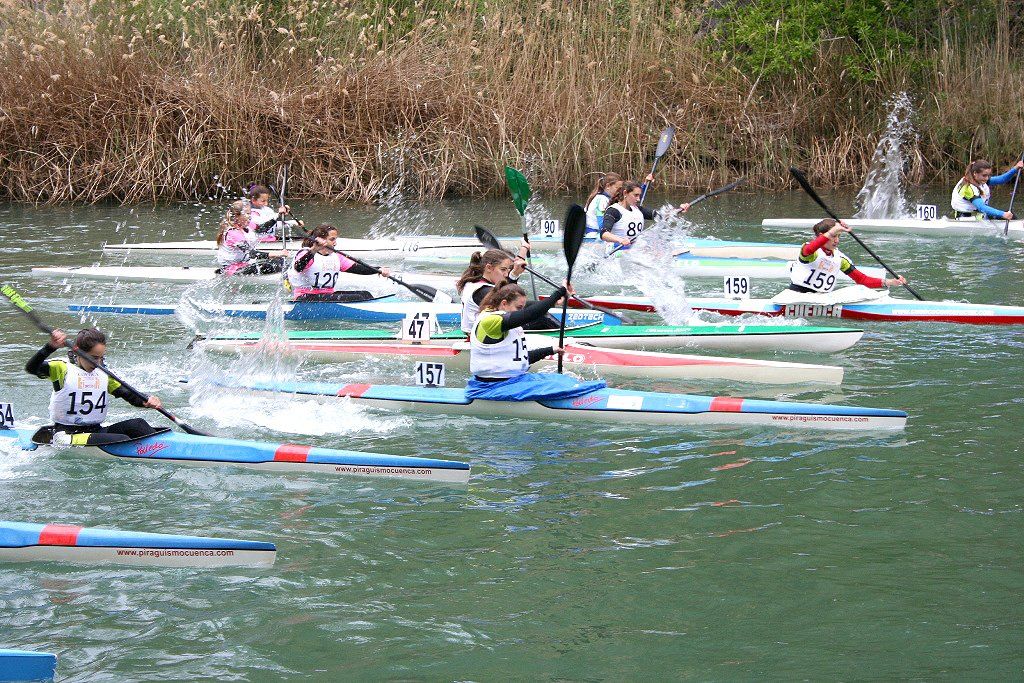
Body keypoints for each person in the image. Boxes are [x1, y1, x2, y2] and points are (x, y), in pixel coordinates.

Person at [466, 282, 606, 401]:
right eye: (519, 308)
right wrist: (560, 292)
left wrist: (550, 350)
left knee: (564, 380)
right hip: (491, 387)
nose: (521, 312)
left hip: (512, 382)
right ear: (504, 304)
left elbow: (519, 360)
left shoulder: (502, 321)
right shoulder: (490, 321)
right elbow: (532, 314)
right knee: (563, 385)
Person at [25, 328, 163, 445]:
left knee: (138, 425)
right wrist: (50, 347)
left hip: (95, 430)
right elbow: (31, 368)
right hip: (65, 435)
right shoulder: (61, 368)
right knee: (122, 440)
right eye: (93, 357)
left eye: (101, 358)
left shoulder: (103, 374)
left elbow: (128, 395)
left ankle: (162, 450)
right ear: (78, 353)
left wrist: (146, 400)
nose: (98, 363)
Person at [785, 219, 906, 295]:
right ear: (823, 236)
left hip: (821, 300)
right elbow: (809, 249)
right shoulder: (811, 252)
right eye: (834, 236)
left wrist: (890, 282)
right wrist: (831, 232)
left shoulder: (840, 259)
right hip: (796, 295)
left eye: (839, 236)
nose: (837, 240)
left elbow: (862, 280)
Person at [287, 223, 391, 301]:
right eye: (332, 239)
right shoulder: (307, 253)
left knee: (365, 294)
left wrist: (378, 269)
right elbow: (299, 267)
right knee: (357, 297)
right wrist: (314, 249)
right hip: (305, 298)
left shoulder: (336, 257)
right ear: (321, 240)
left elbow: (358, 268)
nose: (335, 243)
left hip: (326, 296)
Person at [455, 246, 529, 335]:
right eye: (503, 270)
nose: (506, 274)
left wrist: (523, 249)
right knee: (540, 317)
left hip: (484, 333)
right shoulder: (483, 290)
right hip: (482, 339)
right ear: (489, 268)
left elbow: (510, 294)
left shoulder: (474, 282)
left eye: (508, 270)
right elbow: (512, 301)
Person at [599, 180, 689, 250]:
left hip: (634, 250)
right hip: (617, 249)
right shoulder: (613, 211)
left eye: (639, 196)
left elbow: (663, 216)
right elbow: (604, 234)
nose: (638, 199)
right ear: (625, 193)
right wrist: (621, 240)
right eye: (636, 195)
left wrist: (680, 209)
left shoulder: (638, 209)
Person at [215, 200, 287, 276]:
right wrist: (277, 253)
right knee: (273, 265)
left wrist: (278, 215)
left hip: (245, 264)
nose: (250, 216)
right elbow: (251, 253)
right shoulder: (233, 233)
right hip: (233, 269)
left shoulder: (246, 224)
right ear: (237, 215)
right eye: (247, 213)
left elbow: (262, 229)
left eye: (250, 213)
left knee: (280, 261)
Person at [950, 159, 1023, 220]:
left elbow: (1002, 179)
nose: (987, 178)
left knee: (1010, 214)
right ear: (975, 173)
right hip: (967, 219)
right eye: (984, 175)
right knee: (1006, 214)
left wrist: (1016, 168)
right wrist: (1003, 214)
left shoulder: (978, 179)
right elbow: (982, 207)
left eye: (988, 175)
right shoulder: (968, 187)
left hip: (979, 215)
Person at [584, 172, 622, 237]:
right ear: (608, 186)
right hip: (592, 232)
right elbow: (601, 222)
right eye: (617, 188)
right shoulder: (602, 199)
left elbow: (630, 198)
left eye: (621, 189)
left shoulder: (607, 198)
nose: (620, 191)